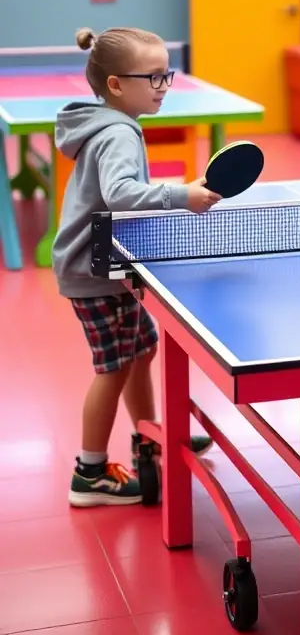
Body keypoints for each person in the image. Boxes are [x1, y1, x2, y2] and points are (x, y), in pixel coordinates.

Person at [52, 26, 222, 507]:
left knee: (141, 350)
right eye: (152, 77)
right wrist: (181, 195)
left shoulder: (107, 122)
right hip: (93, 270)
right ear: (115, 85)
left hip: (102, 263)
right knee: (112, 368)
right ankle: (90, 474)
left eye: (165, 75)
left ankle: (150, 437)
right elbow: (121, 194)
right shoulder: (120, 132)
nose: (162, 86)